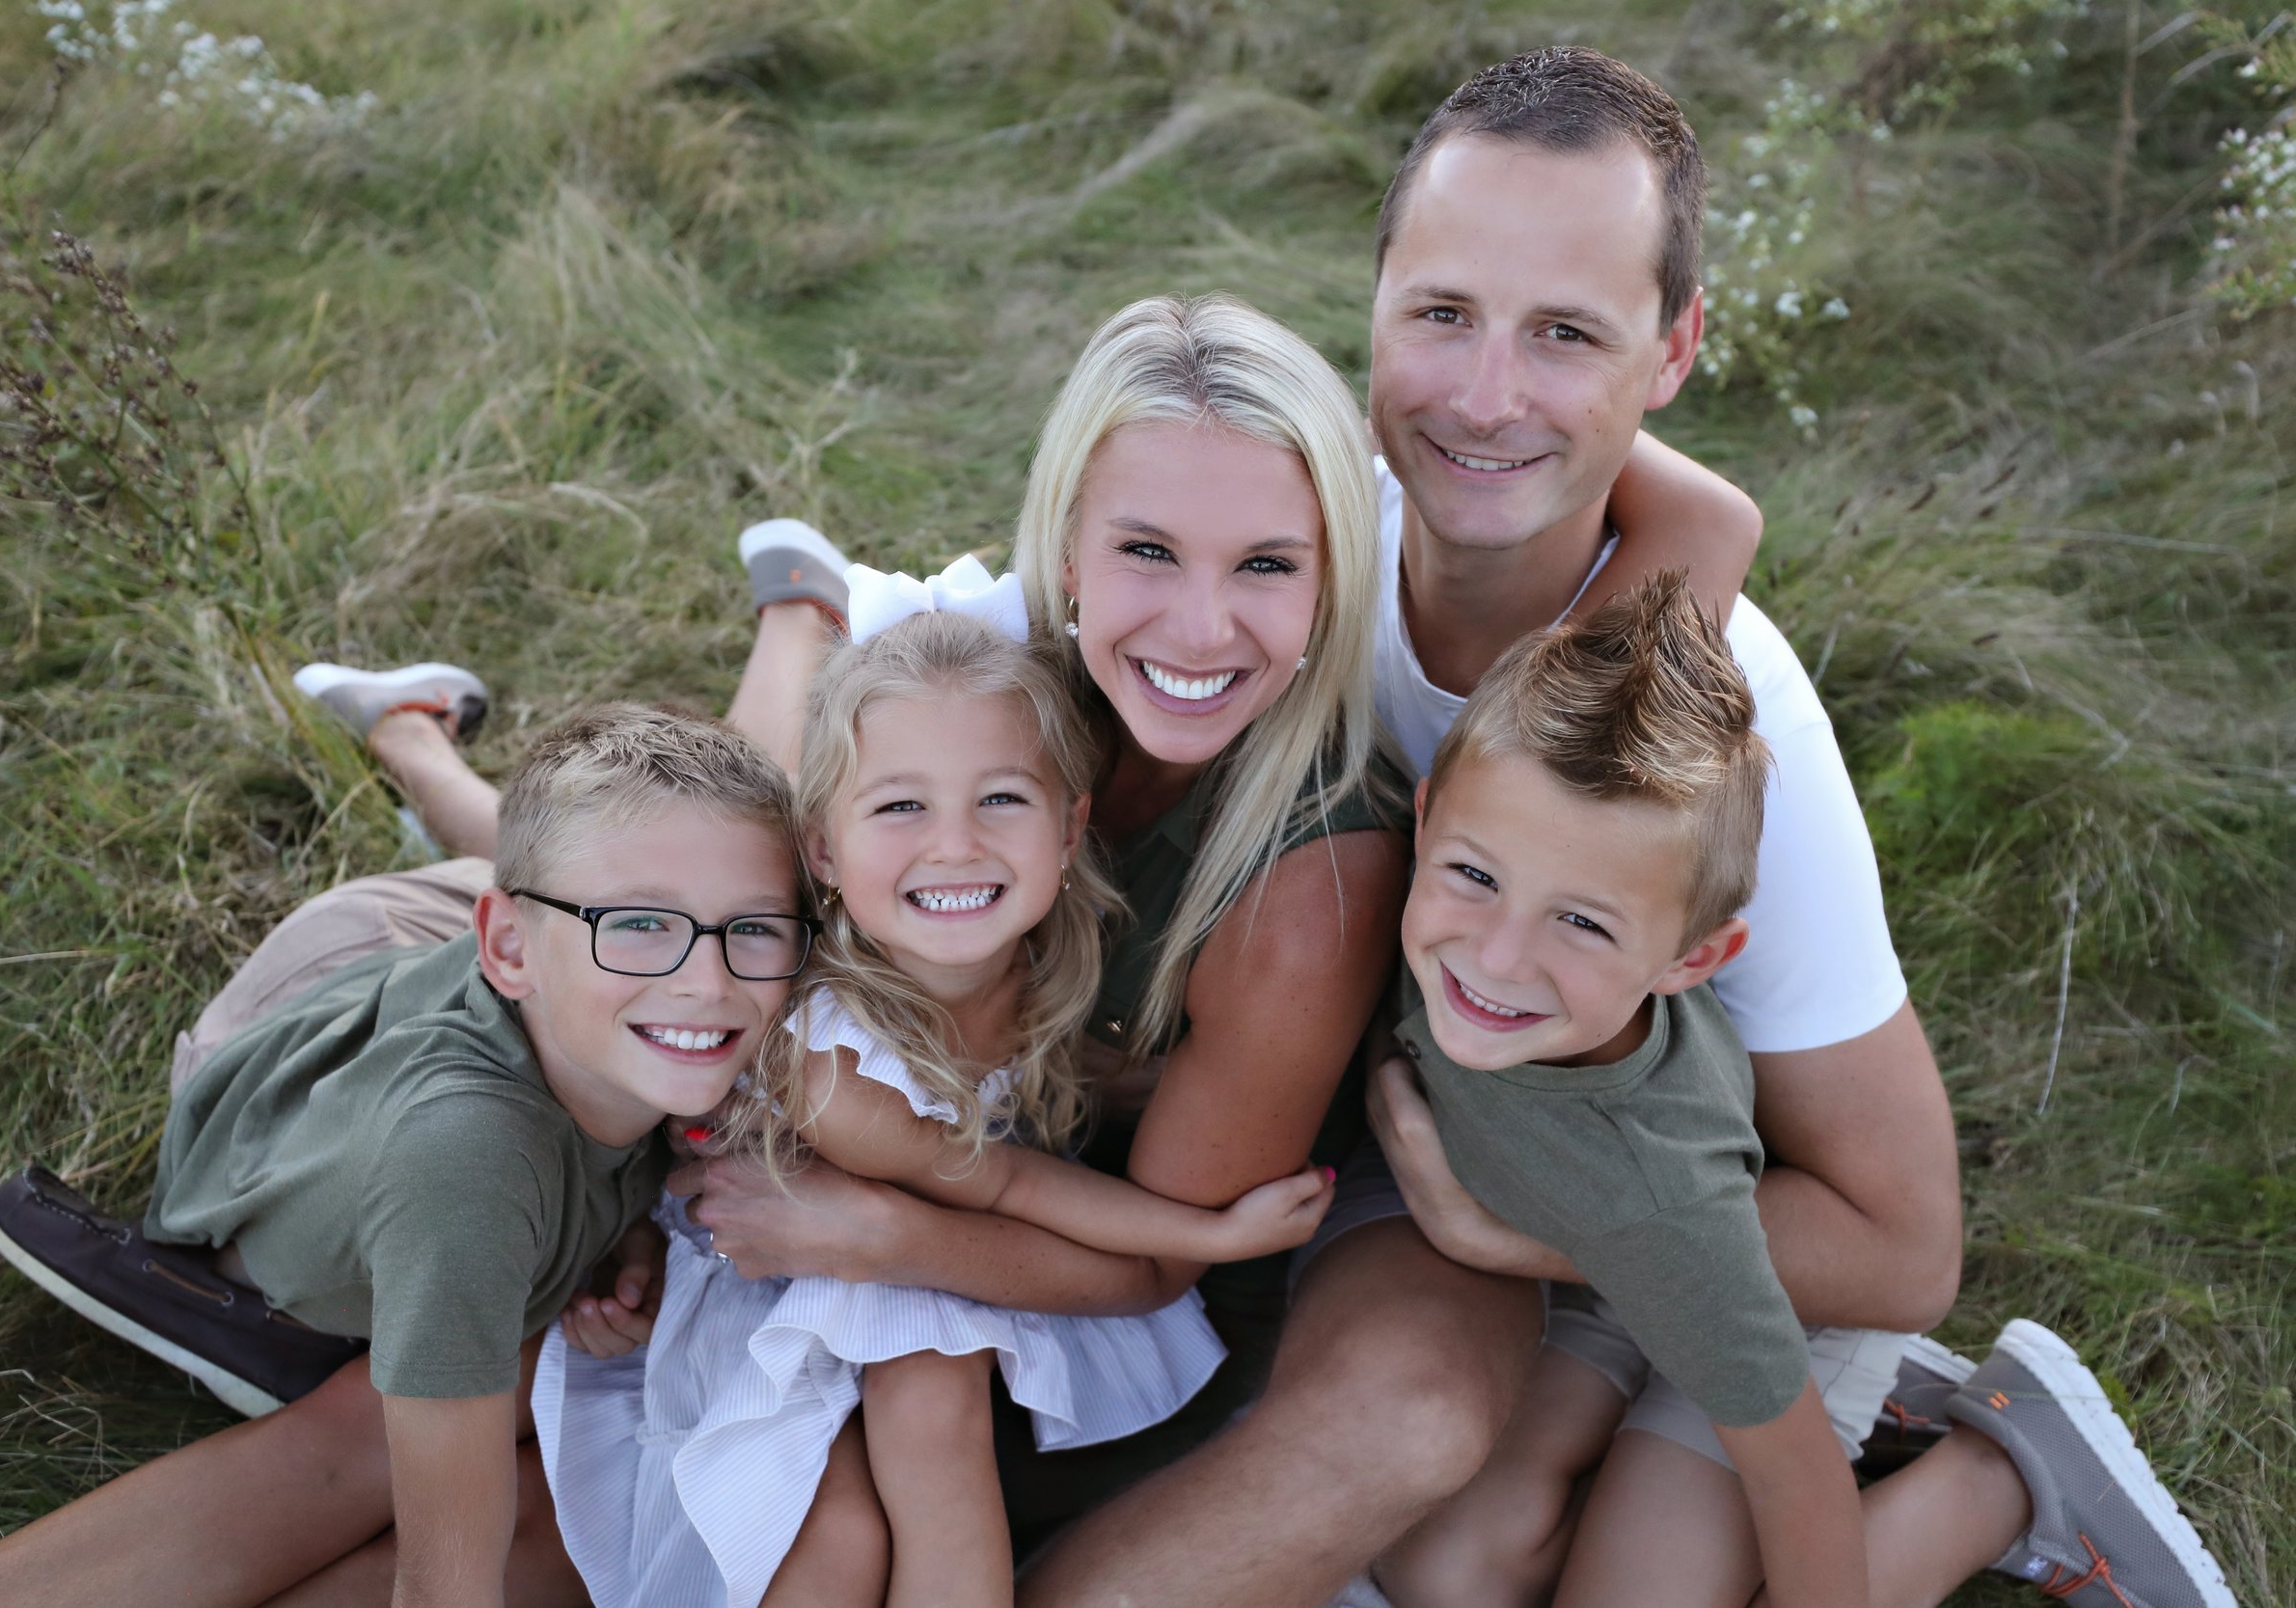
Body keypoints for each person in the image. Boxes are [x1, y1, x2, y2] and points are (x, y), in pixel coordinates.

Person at [1014, 46, 2235, 1608]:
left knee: (1546, 1572)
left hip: (1690, 1214)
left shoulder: (1726, 736)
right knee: (1454, 1558)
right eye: (1443, 314)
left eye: (1568, 335)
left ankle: (1997, 1474)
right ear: (1373, 304)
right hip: (1492, 1153)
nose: (1486, 394)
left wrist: (1519, 1231)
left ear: (1673, 353)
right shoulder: (1287, 543)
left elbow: (1899, 1235)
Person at [310, 291, 1757, 1543]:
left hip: (1028, 1282)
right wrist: (657, 1187)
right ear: (1064, 543)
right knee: (434, 1415)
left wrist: (856, 1227)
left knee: (673, 1504)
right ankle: (438, 742)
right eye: (1146, 553)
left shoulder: (1312, 874)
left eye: (1266, 564)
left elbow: (1151, 1260)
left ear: (1335, 574)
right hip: (799, 1162)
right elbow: (742, 932)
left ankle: (554, 702)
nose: (1198, 630)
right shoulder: (992, 702)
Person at [535, 569, 1337, 1608]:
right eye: (900, 804)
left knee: (930, 1394)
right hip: (765, 1265)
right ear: (821, 848)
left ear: (1067, 825)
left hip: (908, 1251)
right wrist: (1210, 1235)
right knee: (851, 1514)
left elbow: (1051, 1095)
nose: (953, 842)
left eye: (999, 797)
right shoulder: (833, 1067)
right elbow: (1002, 1184)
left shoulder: (1041, 965)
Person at [0, 704, 839, 1608]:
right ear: (508, 950)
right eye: (641, 924)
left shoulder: (658, 1015)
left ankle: (424, 744)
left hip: (479, 978)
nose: (709, 980)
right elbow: (444, 1587)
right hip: (329, 995)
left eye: (756, 928)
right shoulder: (468, 1164)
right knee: (570, 863)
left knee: (635, 853)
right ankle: (410, 735)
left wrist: (628, 1220)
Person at [1374, 572, 1864, 1608]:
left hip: (1759, 1307)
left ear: (1693, 957)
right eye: (1473, 875)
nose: (1496, 956)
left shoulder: (1663, 1198)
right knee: (1444, 1568)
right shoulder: (1403, 896)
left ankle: (1996, 1472)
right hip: (1596, 1274)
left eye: (1583, 923)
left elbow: (1798, 1479)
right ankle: (1643, 1491)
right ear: (1425, 819)